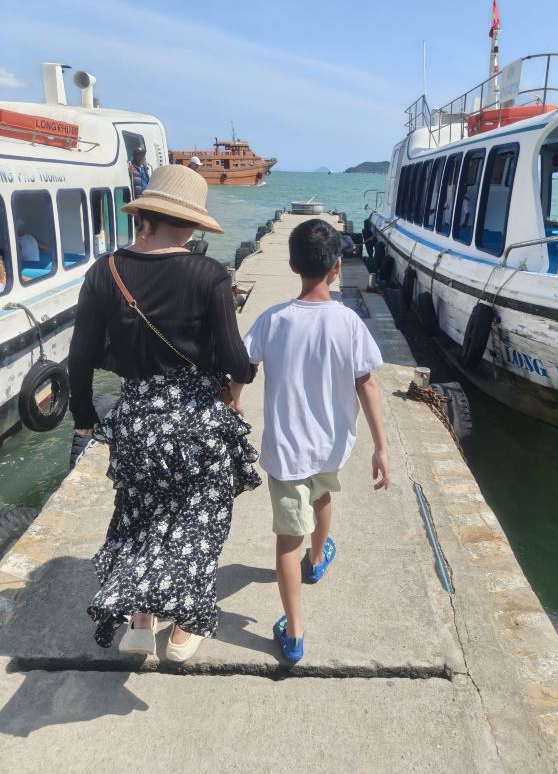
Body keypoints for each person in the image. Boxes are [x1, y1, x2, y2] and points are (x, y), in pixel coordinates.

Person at [68, 164, 260, 663]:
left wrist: (84, 414)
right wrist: (245, 374)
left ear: (145, 215)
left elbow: (80, 354)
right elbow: (235, 360)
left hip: (136, 418)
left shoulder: (105, 271)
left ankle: (140, 623)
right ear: (193, 222)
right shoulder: (209, 275)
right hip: (194, 421)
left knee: (141, 514)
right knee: (200, 518)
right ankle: (182, 630)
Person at [230, 219, 390, 664]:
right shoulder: (349, 322)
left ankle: (295, 630)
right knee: (322, 496)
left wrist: (235, 399)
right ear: (337, 268)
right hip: (330, 446)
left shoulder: (273, 319)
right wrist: (381, 447)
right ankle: (318, 559)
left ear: (292, 265)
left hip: (287, 451)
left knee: (287, 539)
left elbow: (243, 367)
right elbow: (367, 384)